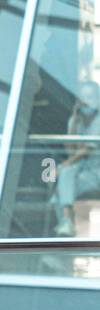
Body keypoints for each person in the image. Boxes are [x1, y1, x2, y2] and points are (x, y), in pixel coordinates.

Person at [54, 80, 100, 236]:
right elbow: (71, 151)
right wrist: (73, 121)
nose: (87, 102)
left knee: (61, 188)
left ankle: (66, 222)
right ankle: (67, 223)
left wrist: (62, 166)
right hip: (81, 174)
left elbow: (86, 150)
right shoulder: (75, 120)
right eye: (83, 98)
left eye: (91, 97)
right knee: (65, 179)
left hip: (96, 174)